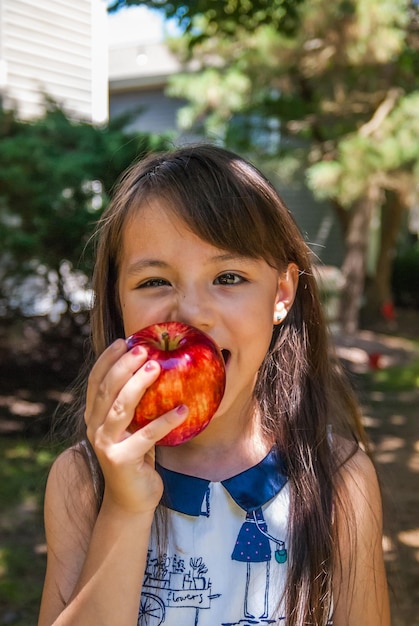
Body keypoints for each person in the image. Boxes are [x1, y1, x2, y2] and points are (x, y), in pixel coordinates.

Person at [38, 144, 390, 626]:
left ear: (281, 295)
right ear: (118, 303)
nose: (191, 313)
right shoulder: (83, 480)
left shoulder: (339, 478)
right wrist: (124, 507)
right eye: (154, 282)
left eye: (228, 276)